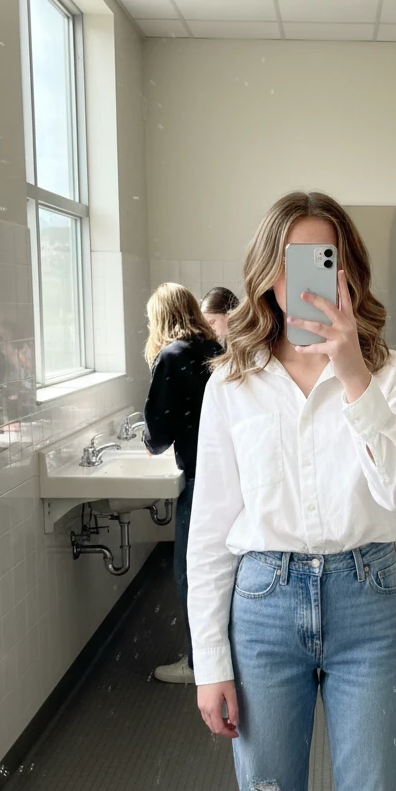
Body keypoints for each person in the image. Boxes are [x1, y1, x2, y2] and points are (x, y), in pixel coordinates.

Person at [187, 191, 396, 791]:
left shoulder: (394, 373)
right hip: (263, 606)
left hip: (369, 603)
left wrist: (353, 373)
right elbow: (211, 529)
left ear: (345, 267)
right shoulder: (231, 383)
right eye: (290, 259)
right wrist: (210, 660)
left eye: (321, 257)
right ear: (268, 271)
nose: (305, 274)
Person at [143, 283, 222, 683]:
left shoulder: (171, 356)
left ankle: (198, 664)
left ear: (161, 318)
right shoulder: (212, 349)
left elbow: (158, 433)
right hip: (227, 472)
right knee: (223, 569)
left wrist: (148, 440)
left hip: (199, 477)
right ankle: (225, 655)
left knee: (190, 573)